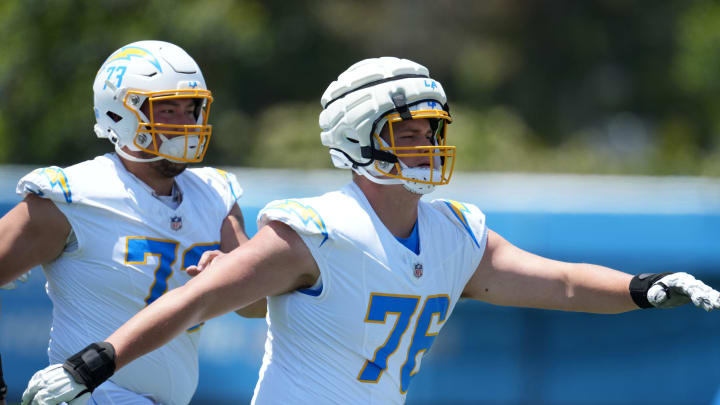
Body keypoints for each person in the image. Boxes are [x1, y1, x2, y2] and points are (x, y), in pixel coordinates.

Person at [20, 57, 720, 405]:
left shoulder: (455, 233)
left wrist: (644, 285)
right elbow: (191, 301)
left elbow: (563, 283)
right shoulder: (314, 231)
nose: (426, 144)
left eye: (432, 130)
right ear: (360, 136)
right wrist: (92, 365)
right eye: (407, 131)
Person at [0, 40, 265, 405]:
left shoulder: (215, 194)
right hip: (87, 393)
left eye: (191, 109)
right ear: (118, 114)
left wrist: (229, 278)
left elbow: (257, 306)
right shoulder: (73, 195)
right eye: (167, 110)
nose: (186, 123)